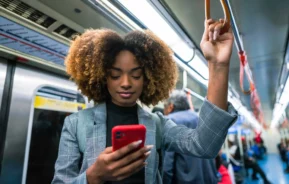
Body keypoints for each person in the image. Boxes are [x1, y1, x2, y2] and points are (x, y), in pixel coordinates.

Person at [52, 18, 238, 184]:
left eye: (136, 75)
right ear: (103, 77)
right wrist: (94, 176)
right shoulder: (76, 125)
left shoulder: (158, 125)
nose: (126, 83)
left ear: (148, 78)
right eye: (115, 75)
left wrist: (218, 65)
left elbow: (205, 145)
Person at [162, 90, 218, 184]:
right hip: (209, 179)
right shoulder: (201, 119)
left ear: (170, 106)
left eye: (164, 107)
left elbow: (167, 165)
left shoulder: (169, 121)